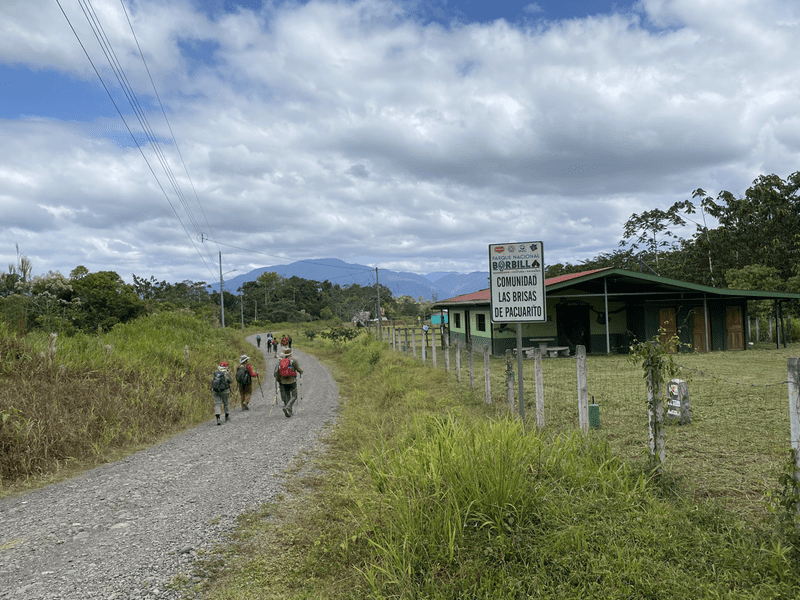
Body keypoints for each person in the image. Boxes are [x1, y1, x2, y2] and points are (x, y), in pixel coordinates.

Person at [274, 347, 303, 418]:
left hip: (283, 382)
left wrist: (278, 380)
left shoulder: (281, 361)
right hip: (292, 381)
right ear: (290, 353)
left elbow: (276, 372)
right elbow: (299, 369)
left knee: (287, 396)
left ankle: (289, 412)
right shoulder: (293, 360)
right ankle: (288, 407)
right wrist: (301, 372)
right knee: (294, 396)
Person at [211, 361, 233, 425]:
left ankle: (218, 418)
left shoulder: (216, 373)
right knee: (226, 403)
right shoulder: (226, 373)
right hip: (225, 391)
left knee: (217, 403)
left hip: (215, 391)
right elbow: (231, 381)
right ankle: (227, 416)